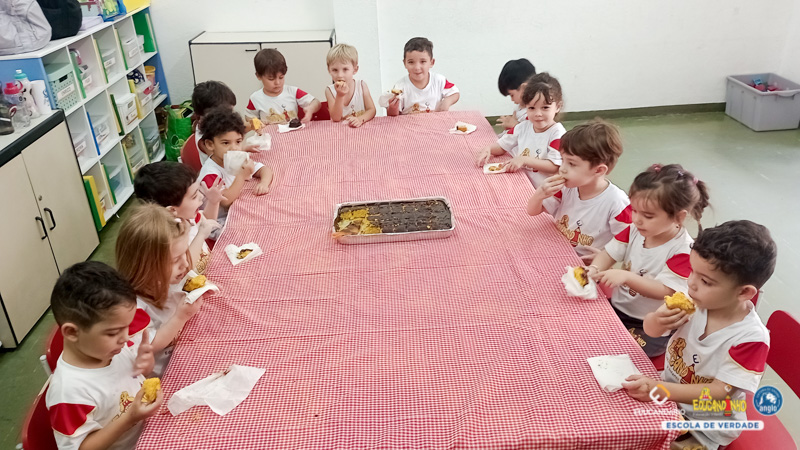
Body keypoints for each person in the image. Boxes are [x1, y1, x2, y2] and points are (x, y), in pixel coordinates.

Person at [623, 220, 776, 450]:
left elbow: (719, 392)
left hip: (704, 426)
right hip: (668, 393)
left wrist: (659, 390)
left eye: (705, 281)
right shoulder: (695, 301)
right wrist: (656, 320)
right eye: (692, 271)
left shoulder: (750, 338)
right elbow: (652, 331)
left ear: (744, 292)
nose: (691, 283)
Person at [587, 164, 710, 357]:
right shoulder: (635, 230)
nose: (637, 219)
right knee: (584, 332)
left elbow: (665, 290)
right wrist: (594, 268)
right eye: (634, 210)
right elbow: (609, 253)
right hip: (618, 308)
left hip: (649, 326)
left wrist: (626, 277)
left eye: (648, 215)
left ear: (678, 217)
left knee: (621, 354)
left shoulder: (683, 251)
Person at [46, 261, 163, 450]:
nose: (125, 338)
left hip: (151, 432)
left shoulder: (108, 348)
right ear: (72, 332)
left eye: (127, 327)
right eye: (113, 332)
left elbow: (133, 378)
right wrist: (129, 418)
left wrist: (145, 364)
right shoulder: (69, 392)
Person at [115, 204, 205, 376]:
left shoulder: (165, 278)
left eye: (184, 253)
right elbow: (148, 345)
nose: (185, 264)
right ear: (145, 266)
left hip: (186, 349)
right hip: (166, 373)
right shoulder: (130, 308)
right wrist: (181, 316)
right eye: (176, 260)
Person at [526, 119, 631, 263]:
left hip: (586, 264)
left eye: (571, 164)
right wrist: (539, 194)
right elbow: (532, 211)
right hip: (555, 251)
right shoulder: (566, 188)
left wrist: (605, 257)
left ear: (599, 170)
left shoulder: (617, 202)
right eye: (562, 160)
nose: (562, 168)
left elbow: (629, 242)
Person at [475, 72, 565, 187]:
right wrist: (489, 149)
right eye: (531, 108)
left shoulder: (557, 134)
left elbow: (554, 166)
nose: (538, 114)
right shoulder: (522, 127)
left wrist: (524, 159)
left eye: (545, 107)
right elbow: (502, 146)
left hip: (545, 191)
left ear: (558, 107)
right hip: (522, 182)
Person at [134, 161, 225, 273]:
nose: (201, 197)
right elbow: (185, 267)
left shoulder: (187, 217)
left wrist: (213, 202)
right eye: (194, 196)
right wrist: (201, 235)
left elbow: (207, 222)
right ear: (172, 210)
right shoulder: (167, 237)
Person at [198, 107, 273, 236]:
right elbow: (225, 201)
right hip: (217, 223)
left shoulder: (234, 157)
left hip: (237, 210)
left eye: (238, 142)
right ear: (210, 145)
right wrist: (241, 175)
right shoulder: (209, 174)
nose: (234, 148)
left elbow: (264, 169)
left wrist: (264, 183)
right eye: (225, 143)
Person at [245, 48, 321, 124]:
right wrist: (256, 122)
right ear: (258, 76)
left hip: (293, 130)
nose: (277, 82)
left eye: (281, 77)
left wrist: (310, 109)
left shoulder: (293, 92)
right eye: (271, 79)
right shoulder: (255, 98)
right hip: (269, 131)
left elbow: (316, 102)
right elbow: (248, 117)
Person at [386, 37, 459, 115]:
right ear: (405, 63)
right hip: (410, 122)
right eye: (411, 62)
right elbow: (393, 116)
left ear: (432, 62)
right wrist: (392, 108)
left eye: (423, 61)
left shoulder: (439, 80)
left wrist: (446, 102)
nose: (417, 67)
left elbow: (455, 93)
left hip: (435, 121)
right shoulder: (400, 87)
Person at [324, 43, 376, 127]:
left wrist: (360, 119)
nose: (340, 75)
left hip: (361, 129)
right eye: (335, 70)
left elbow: (372, 110)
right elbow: (336, 118)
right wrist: (340, 95)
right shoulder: (329, 91)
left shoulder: (361, 86)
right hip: (340, 131)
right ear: (329, 70)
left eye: (345, 69)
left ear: (355, 69)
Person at [496, 58, 536, 131]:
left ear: (524, 88)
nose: (512, 99)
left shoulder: (535, 111)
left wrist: (515, 125)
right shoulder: (520, 108)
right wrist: (508, 125)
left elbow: (534, 133)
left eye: (512, 95)